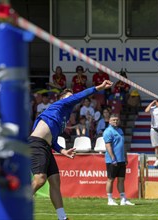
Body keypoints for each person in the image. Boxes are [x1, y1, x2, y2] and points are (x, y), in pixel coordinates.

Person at [29, 80, 113, 220]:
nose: (72, 98)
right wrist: (99, 87)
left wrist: (62, 151)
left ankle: (62, 217)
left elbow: (53, 139)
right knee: (40, 179)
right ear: (62, 99)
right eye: (69, 96)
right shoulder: (59, 105)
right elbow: (79, 96)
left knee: (55, 181)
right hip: (37, 144)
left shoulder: (64, 117)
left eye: (71, 96)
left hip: (46, 146)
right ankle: (13, 210)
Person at [103, 113, 134, 206]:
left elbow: (122, 145)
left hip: (121, 159)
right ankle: (110, 199)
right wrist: (113, 158)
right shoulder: (107, 131)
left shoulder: (120, 130)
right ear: (109, 121)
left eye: (117, 120)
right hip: (112, 160)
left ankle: (123, 199)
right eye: (113, 120)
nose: (115, 121)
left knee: (121, 179)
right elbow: (108, 146)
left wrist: (125, 156)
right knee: (110, 179)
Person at [144, 99, 158, 167]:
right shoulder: (153, 109)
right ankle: (157, 160)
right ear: (156, 103)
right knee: (157, 146)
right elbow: (146, 111)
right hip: (154, 129)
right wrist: (152, 102)